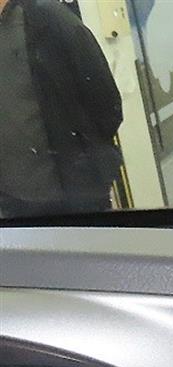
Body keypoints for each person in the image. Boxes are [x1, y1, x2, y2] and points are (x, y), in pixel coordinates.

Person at [0, 0, 123, 218]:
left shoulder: (50, 19)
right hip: (13, 204)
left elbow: (106, 104)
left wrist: (86, 162)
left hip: (74, 197)